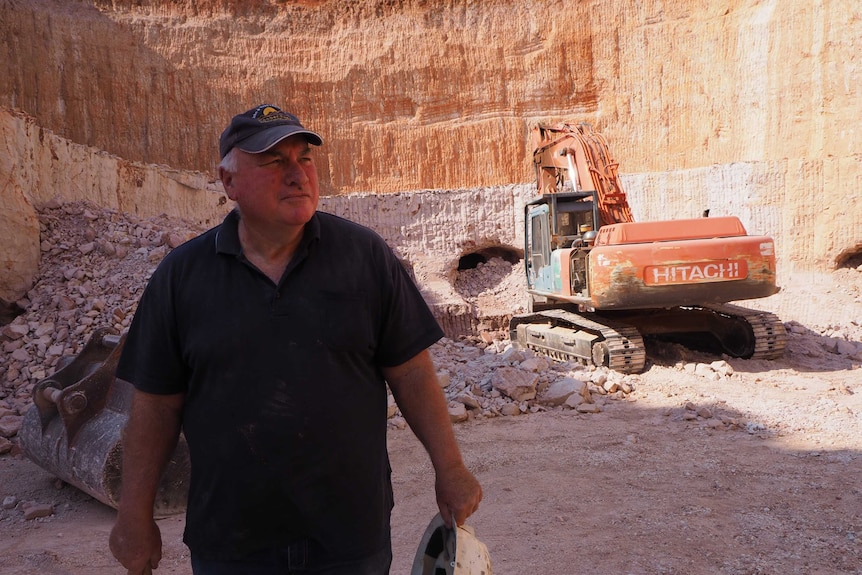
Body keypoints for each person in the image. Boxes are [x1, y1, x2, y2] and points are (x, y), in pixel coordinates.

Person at [108, 104, 482, 575]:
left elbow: (410, 370)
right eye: (273, 161)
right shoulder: (182, 277)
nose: (296, 174)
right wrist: (133, 514)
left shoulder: (364, 257)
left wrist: (450, 467)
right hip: (232, 542)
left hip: (349, 537)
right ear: (228, 183)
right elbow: (156, 406)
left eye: (304, 159)